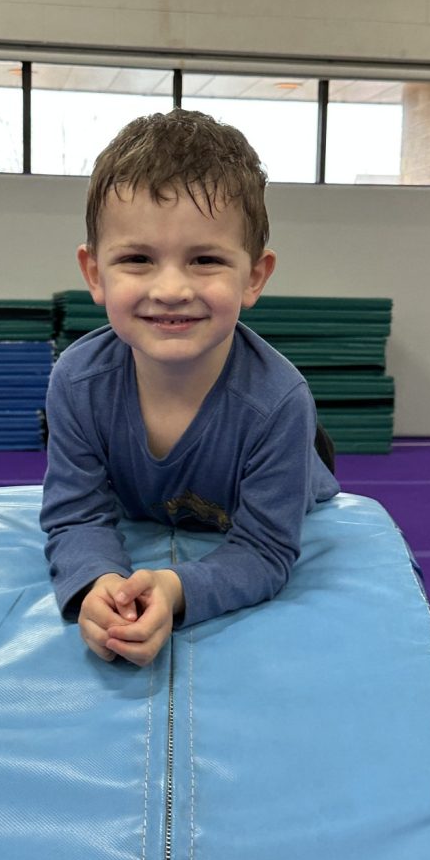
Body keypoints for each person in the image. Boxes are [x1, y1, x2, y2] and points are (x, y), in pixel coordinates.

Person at [40, 109, 339, 667]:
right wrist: (99, 585)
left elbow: (265, 550)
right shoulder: (78, 383)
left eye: (205, 260)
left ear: (254, 276)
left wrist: (176, 590)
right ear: (95, 274)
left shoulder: (279, 403)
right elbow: (75, 516)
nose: (172, 289)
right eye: (137, 259)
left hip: (277, 455)